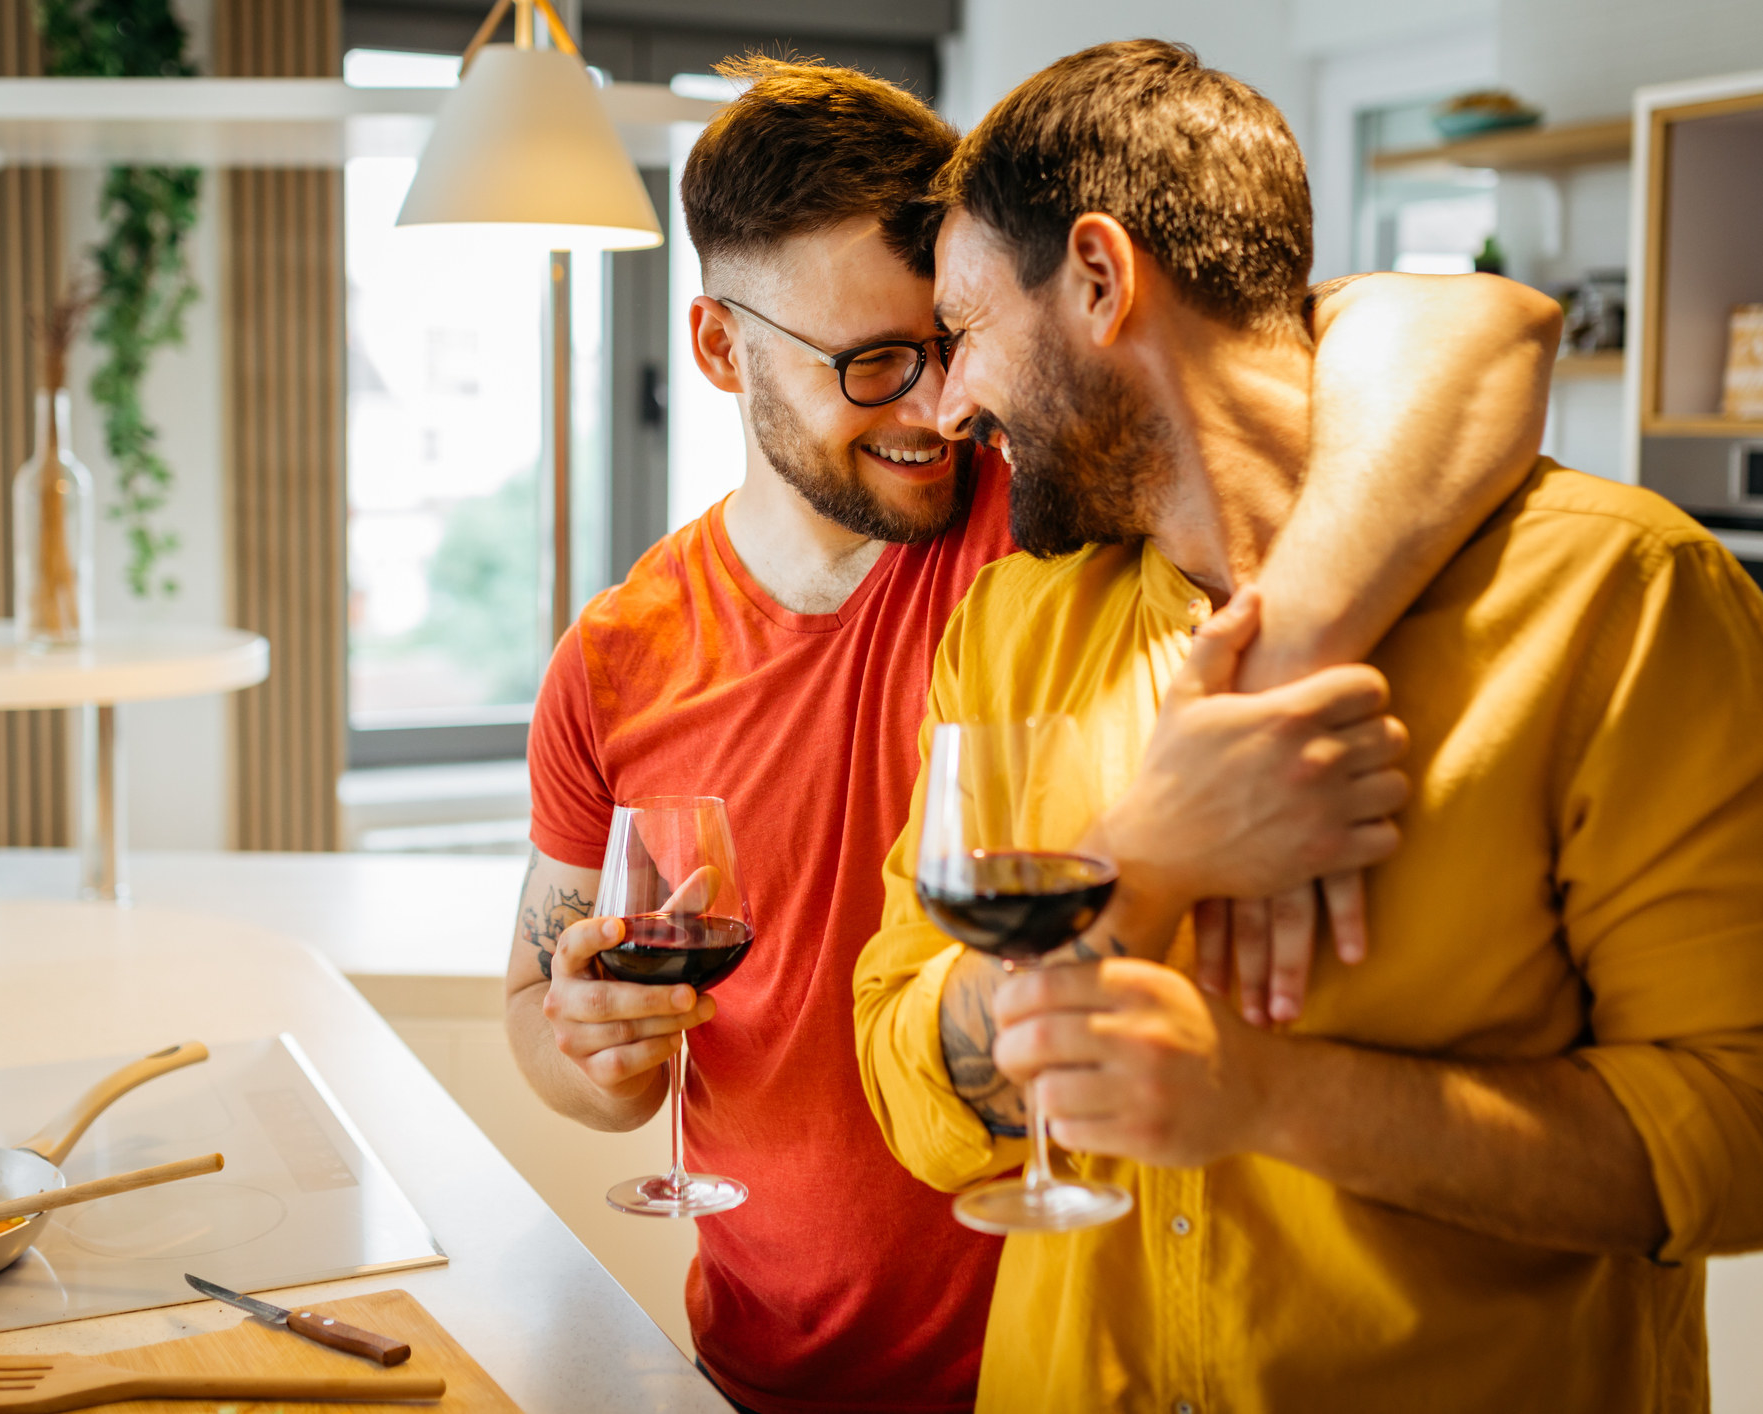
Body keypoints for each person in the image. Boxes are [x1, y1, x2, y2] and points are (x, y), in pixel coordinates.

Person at [510, 57, 1561, 1414]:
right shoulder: (613, 655)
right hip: (754, 1367)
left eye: (946, 342)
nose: (934, 407)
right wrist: (592, 1052)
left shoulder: (1046, 522)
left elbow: (1473, 329)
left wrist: (1286, 648)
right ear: (720, 348)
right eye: (872, 361)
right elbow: (539, 1008)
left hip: (1058, 1361)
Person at [854, 38, 1763, 1412]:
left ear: (1100, 277)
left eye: (966, 329)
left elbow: (1736, 1136)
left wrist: (1270, 1096)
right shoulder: (1008, 631)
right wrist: (1139, 864)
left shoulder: (1622, 595)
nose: (950, 402)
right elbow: (903, 1085)